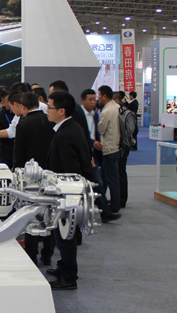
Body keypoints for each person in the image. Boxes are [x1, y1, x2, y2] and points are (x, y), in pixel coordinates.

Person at [45, 91, 94, 290]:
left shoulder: (66, 133)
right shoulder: (70, 127)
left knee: (65, 235)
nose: (47, 111)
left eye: (50, 107)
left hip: (67, 194)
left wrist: (63, 193)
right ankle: (63, 266)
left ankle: (68, 277)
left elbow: (70, 171)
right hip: (67, 192)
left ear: (61, 111)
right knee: (62, 234)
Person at [14, 92, 56, 267]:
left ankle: (31, 255)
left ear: (23, 107)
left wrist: (16, 171)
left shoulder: (23, 124)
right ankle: (47, 255)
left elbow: (19, 152)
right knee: (51, 214)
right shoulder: (49, 120)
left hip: (30, 176)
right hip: (50, 173)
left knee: (31, 214)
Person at [97, 85, 122, 216]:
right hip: (118, 146)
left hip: (109, 148)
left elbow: (101, 129)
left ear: (105, 96)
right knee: (106, 178)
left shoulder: (106, 111)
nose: (98, 98)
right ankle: (104, 203)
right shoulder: (117, 107)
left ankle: (114, 206)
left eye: (99, 95)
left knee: (112, 179)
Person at [0, 87, 14, 168]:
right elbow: (0, 137)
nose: (11, 103)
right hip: (6, 151)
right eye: (8, 101)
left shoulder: (18, 112)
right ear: (3, 103)